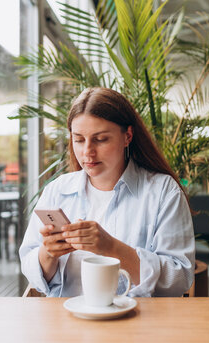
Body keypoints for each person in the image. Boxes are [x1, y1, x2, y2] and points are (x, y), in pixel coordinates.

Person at [20, 87, 195, 297]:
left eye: (101, 139)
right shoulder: (57, 191)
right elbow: (29, 264)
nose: (87, 152)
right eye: (78, 139)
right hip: (65, 321)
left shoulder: (163, 192)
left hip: (138, 323)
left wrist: (112, 247)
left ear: (127, 136)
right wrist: (48, 253)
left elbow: (181, 276)